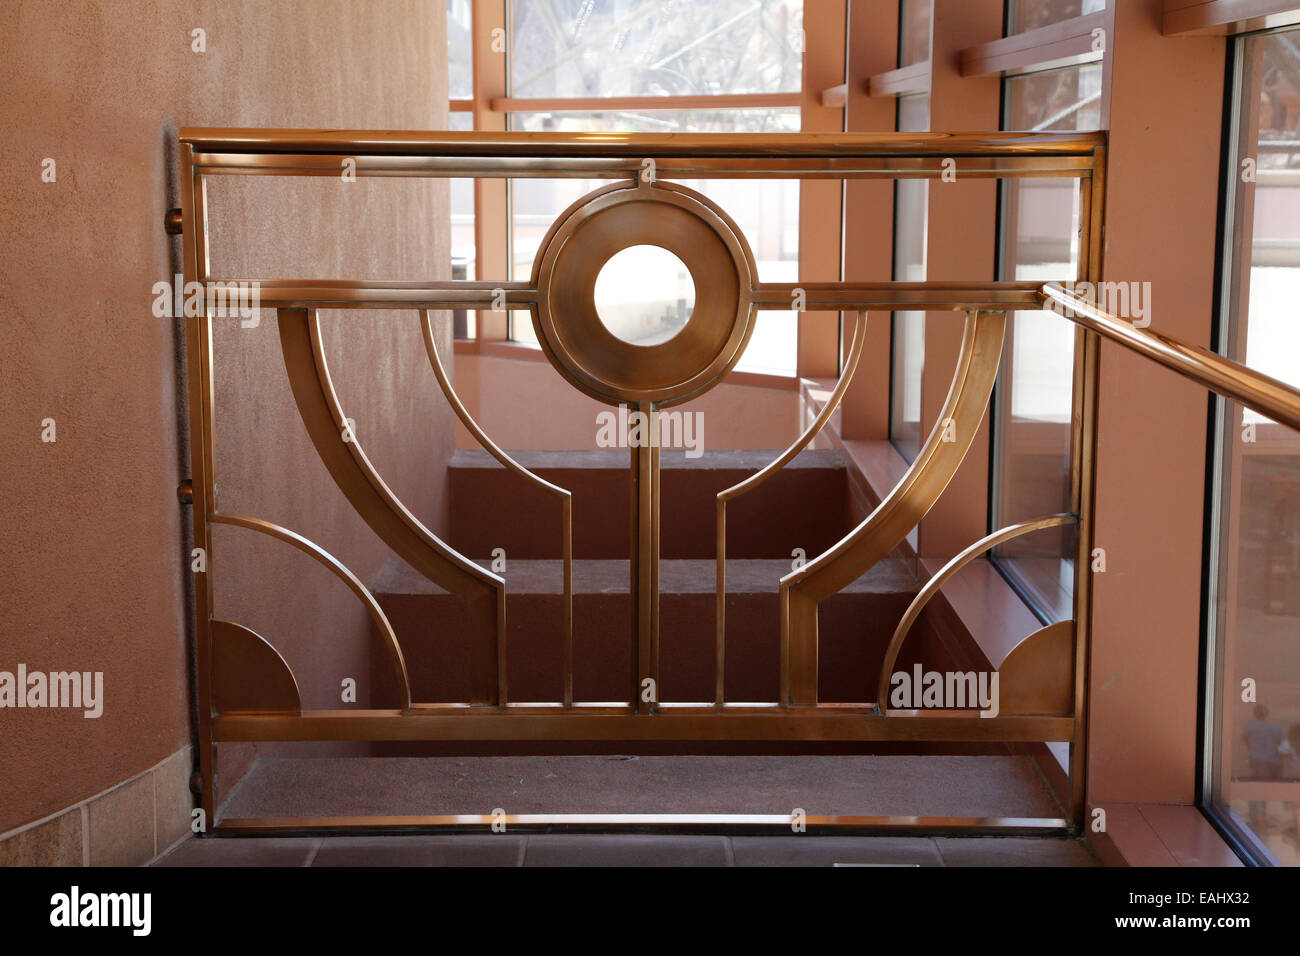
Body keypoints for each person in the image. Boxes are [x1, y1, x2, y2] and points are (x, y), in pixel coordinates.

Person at [1243, 705, 1284, 831]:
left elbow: (1245, 738)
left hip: (1256, 759)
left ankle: (1255, 817)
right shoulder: (1273, 727)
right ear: (1266, 714)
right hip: (1271, 761)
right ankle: (1260, 817)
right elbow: (1281, 743)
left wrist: (1252, 749)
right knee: (1263, 788)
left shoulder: (1250, 726)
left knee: (1256, 786)